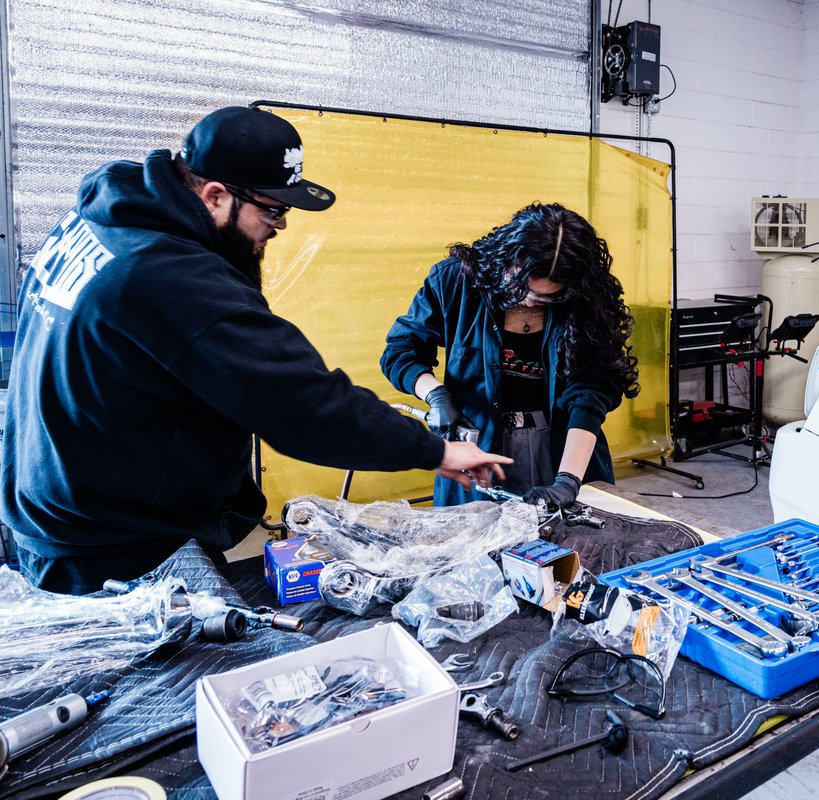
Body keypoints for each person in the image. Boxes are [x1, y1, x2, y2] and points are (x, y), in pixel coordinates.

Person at [1, 106, 510, 594]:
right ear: (216, 196)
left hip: (53, 507)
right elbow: (303, 403)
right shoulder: (169, 274)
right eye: (272, 209)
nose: (282, 225)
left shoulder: (103, 222)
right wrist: (436, 451)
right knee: (206, 677)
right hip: (116, 547)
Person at [381, 203, 639, 508]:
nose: (530, 303)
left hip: (563, 447)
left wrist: (568, 480)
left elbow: (591, 391)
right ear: (505, 260)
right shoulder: (454, 281)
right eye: (521, 289)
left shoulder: (584, 301)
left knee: (571, 548)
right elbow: (402, 351)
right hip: (479, 450)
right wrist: (435, 395)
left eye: (548, 297)